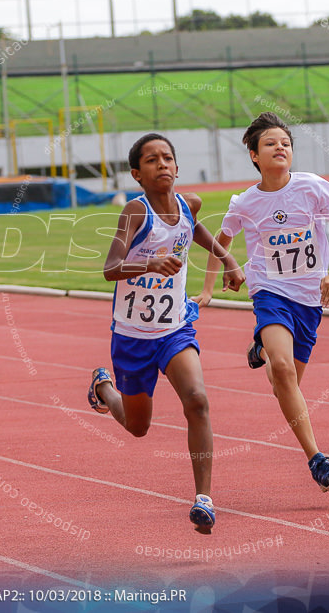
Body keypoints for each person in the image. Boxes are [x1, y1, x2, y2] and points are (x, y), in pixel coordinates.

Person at [88, 133, 243, 533]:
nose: (163, 165)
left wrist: (227, 260)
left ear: (176, 167)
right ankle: (104, 388)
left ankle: (204, 500)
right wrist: (150, 264)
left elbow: (197, 232)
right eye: (153, 161)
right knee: (139, 427)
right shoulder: (134, 213)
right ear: (138, 174)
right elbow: (109, 269)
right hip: (132, 336)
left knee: (197, 400)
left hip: (174, 327)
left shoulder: (188, 205)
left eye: (168, 158)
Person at [195, 112, 329, 492]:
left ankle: (263, 350)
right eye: (270, 143)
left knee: (282, 380)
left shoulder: (312, 188)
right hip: (270, 293)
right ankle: (317, 461)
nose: (280, 147)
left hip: (309, 301)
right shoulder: (246, 202)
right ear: (254, 155)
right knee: (285, 372)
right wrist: (207, 287)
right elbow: (221, 240)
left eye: (285, 143)